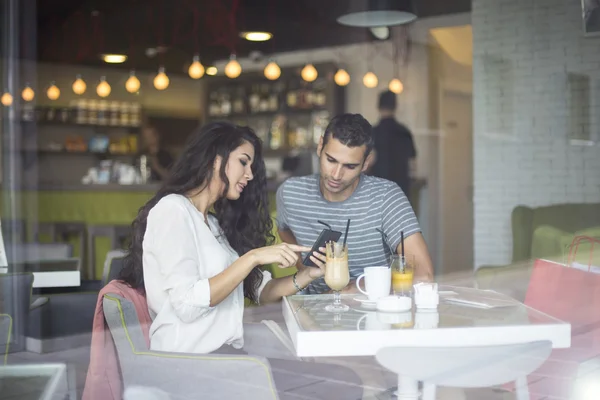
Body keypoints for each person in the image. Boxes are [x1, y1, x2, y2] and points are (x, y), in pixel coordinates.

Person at [118, 122, 362, 398]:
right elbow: (187, 304)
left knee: (343, 378)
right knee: (340, 382)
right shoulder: (173, 211)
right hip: (191, 364)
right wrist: (253, 257)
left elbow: (261, 290)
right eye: (243, 163)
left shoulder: (212, 223)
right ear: (214, 158)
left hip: (223, 358)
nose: (249, 175)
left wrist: (308, 274)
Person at [276, 113, 433, 295]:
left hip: (372, 313)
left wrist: (355, 290)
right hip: (312, 312)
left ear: (366, 163)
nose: (336, 174)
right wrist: (303, 266)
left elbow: (424, 276)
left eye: (350, 166)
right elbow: (283, 228)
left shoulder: (387, 197)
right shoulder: (290, 193)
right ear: (320, 147)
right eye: (331, 160)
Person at [371, 90, 417, 198]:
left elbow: (368, 162)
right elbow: (413, 164)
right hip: (401, 189)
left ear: (378, 107)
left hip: (379, 188)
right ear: (395, 107)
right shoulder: (404, 132)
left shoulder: (373, 132)